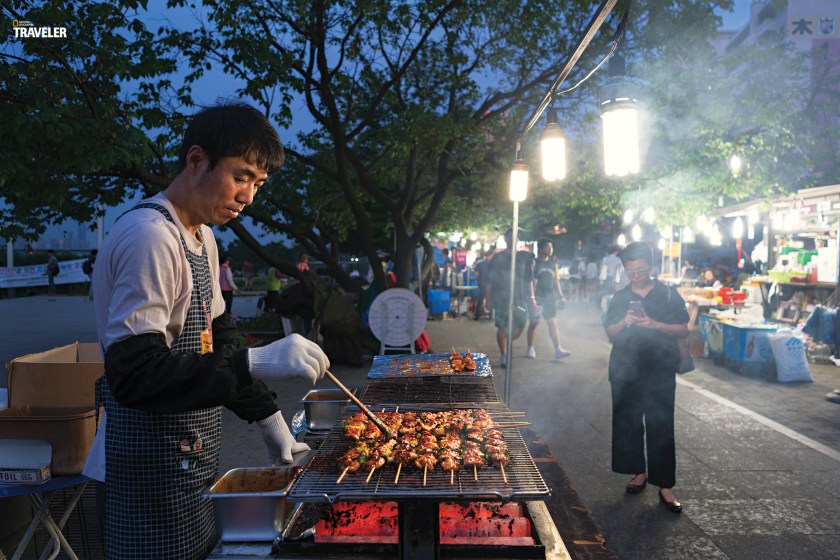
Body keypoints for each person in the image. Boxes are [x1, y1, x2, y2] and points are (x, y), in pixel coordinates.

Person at [87, 101, 330, 559]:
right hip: (147, 472)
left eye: (258, 184)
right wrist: (257, 361)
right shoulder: (150, 237)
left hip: (190, 460)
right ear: (196, 160)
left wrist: (272, 425)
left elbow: (221, 342)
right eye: (241, 177)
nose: (249, 197)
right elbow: (134, 374)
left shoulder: (202, 237)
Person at [603, 242, 689, 514]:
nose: (636, 275)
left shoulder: (667, 295)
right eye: (630, 271)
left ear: (651, 267)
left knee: (661, 424)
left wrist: (655, 324)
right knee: (628, 423)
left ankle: (665, 485)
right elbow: (611, 333)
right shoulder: (620, 297)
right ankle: (638, 472)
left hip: (659, 368)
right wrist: (626, 321)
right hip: (625, 368)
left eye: (640, 270)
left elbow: (683, 328)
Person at [486, 228, 535, 366]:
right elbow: (489, 280)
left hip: (519, 299)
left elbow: (528, 279)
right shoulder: (498, 257)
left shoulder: (524, 256)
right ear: (505, 239)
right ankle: (504, 354)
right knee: (502, 326)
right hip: (501, 298)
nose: (511, 240)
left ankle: (506, 341)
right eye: (509, 237)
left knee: (520, 325)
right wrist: (488, 299)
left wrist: (532, 298)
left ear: (517, 239)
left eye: (514, 237)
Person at [525, 239, 570, 360]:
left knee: (552, 322)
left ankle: (558, 349)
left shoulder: (552, 264)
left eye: (551, 247)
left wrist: (561, 297)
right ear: (541, 249)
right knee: (534, 323)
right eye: (547, 247)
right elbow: (530, 282)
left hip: (549, 297)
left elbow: (556, 282)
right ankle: (530, 348)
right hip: (537, 296)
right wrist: (532, 298)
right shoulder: (534, 263)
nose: (550, 250)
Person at [473, 250, 492, 320]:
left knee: (480, 300)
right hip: (490, 284)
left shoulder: (479, 263)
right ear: (489, 256)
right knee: (490, 299)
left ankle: (477, 315)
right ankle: (491, 316)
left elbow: (476, 273)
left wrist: (480, 277)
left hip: (482, 284)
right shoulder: (492, 264)